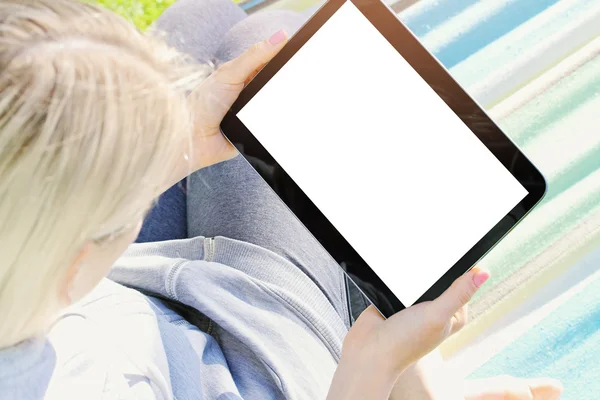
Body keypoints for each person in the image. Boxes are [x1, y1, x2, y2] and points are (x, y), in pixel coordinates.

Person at [0, 0, 563, 399]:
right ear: (73, 263)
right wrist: (375, 367)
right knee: (266, 41)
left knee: (206, 18)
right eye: (126, 199)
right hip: (273, 374)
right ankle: (416, 389)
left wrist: (180, 146)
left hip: (146, 299)